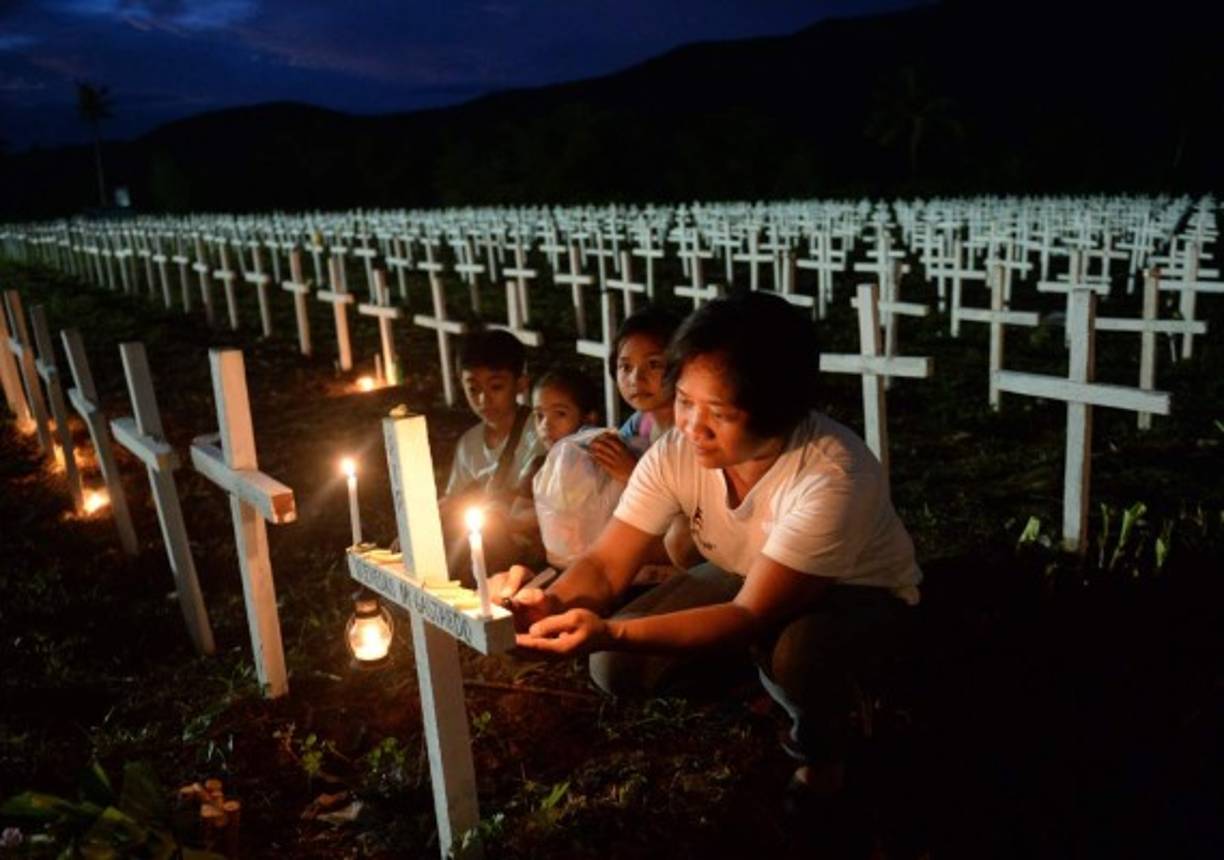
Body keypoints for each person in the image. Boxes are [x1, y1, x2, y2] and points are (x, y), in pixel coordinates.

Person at [493, 292, 921, 800]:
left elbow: (746, 614)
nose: (692, 427)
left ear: (778, 412)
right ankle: (756, 681)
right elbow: (607, 565)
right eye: (685, 401)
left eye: (717, 411)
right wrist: (551, 604)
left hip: (857, 593)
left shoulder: (831, 474)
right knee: (614, 668)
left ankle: (827, 747)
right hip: (744, 578)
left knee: (797, 654)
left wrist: (610, 629)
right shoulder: (677, 451)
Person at [439, 329, 546, 574]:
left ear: (521, 383)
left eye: (496, 387)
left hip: (526, 552)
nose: (483, 399)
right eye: (473, 389)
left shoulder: (540, 429)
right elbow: (454, 499)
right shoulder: (469, 444)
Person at [586, 306, 680, 484]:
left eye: (653, 364)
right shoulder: (641, 422)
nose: (636, 379)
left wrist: (631, 475)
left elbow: (688, 508)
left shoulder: (690, 435)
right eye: (626, 367)